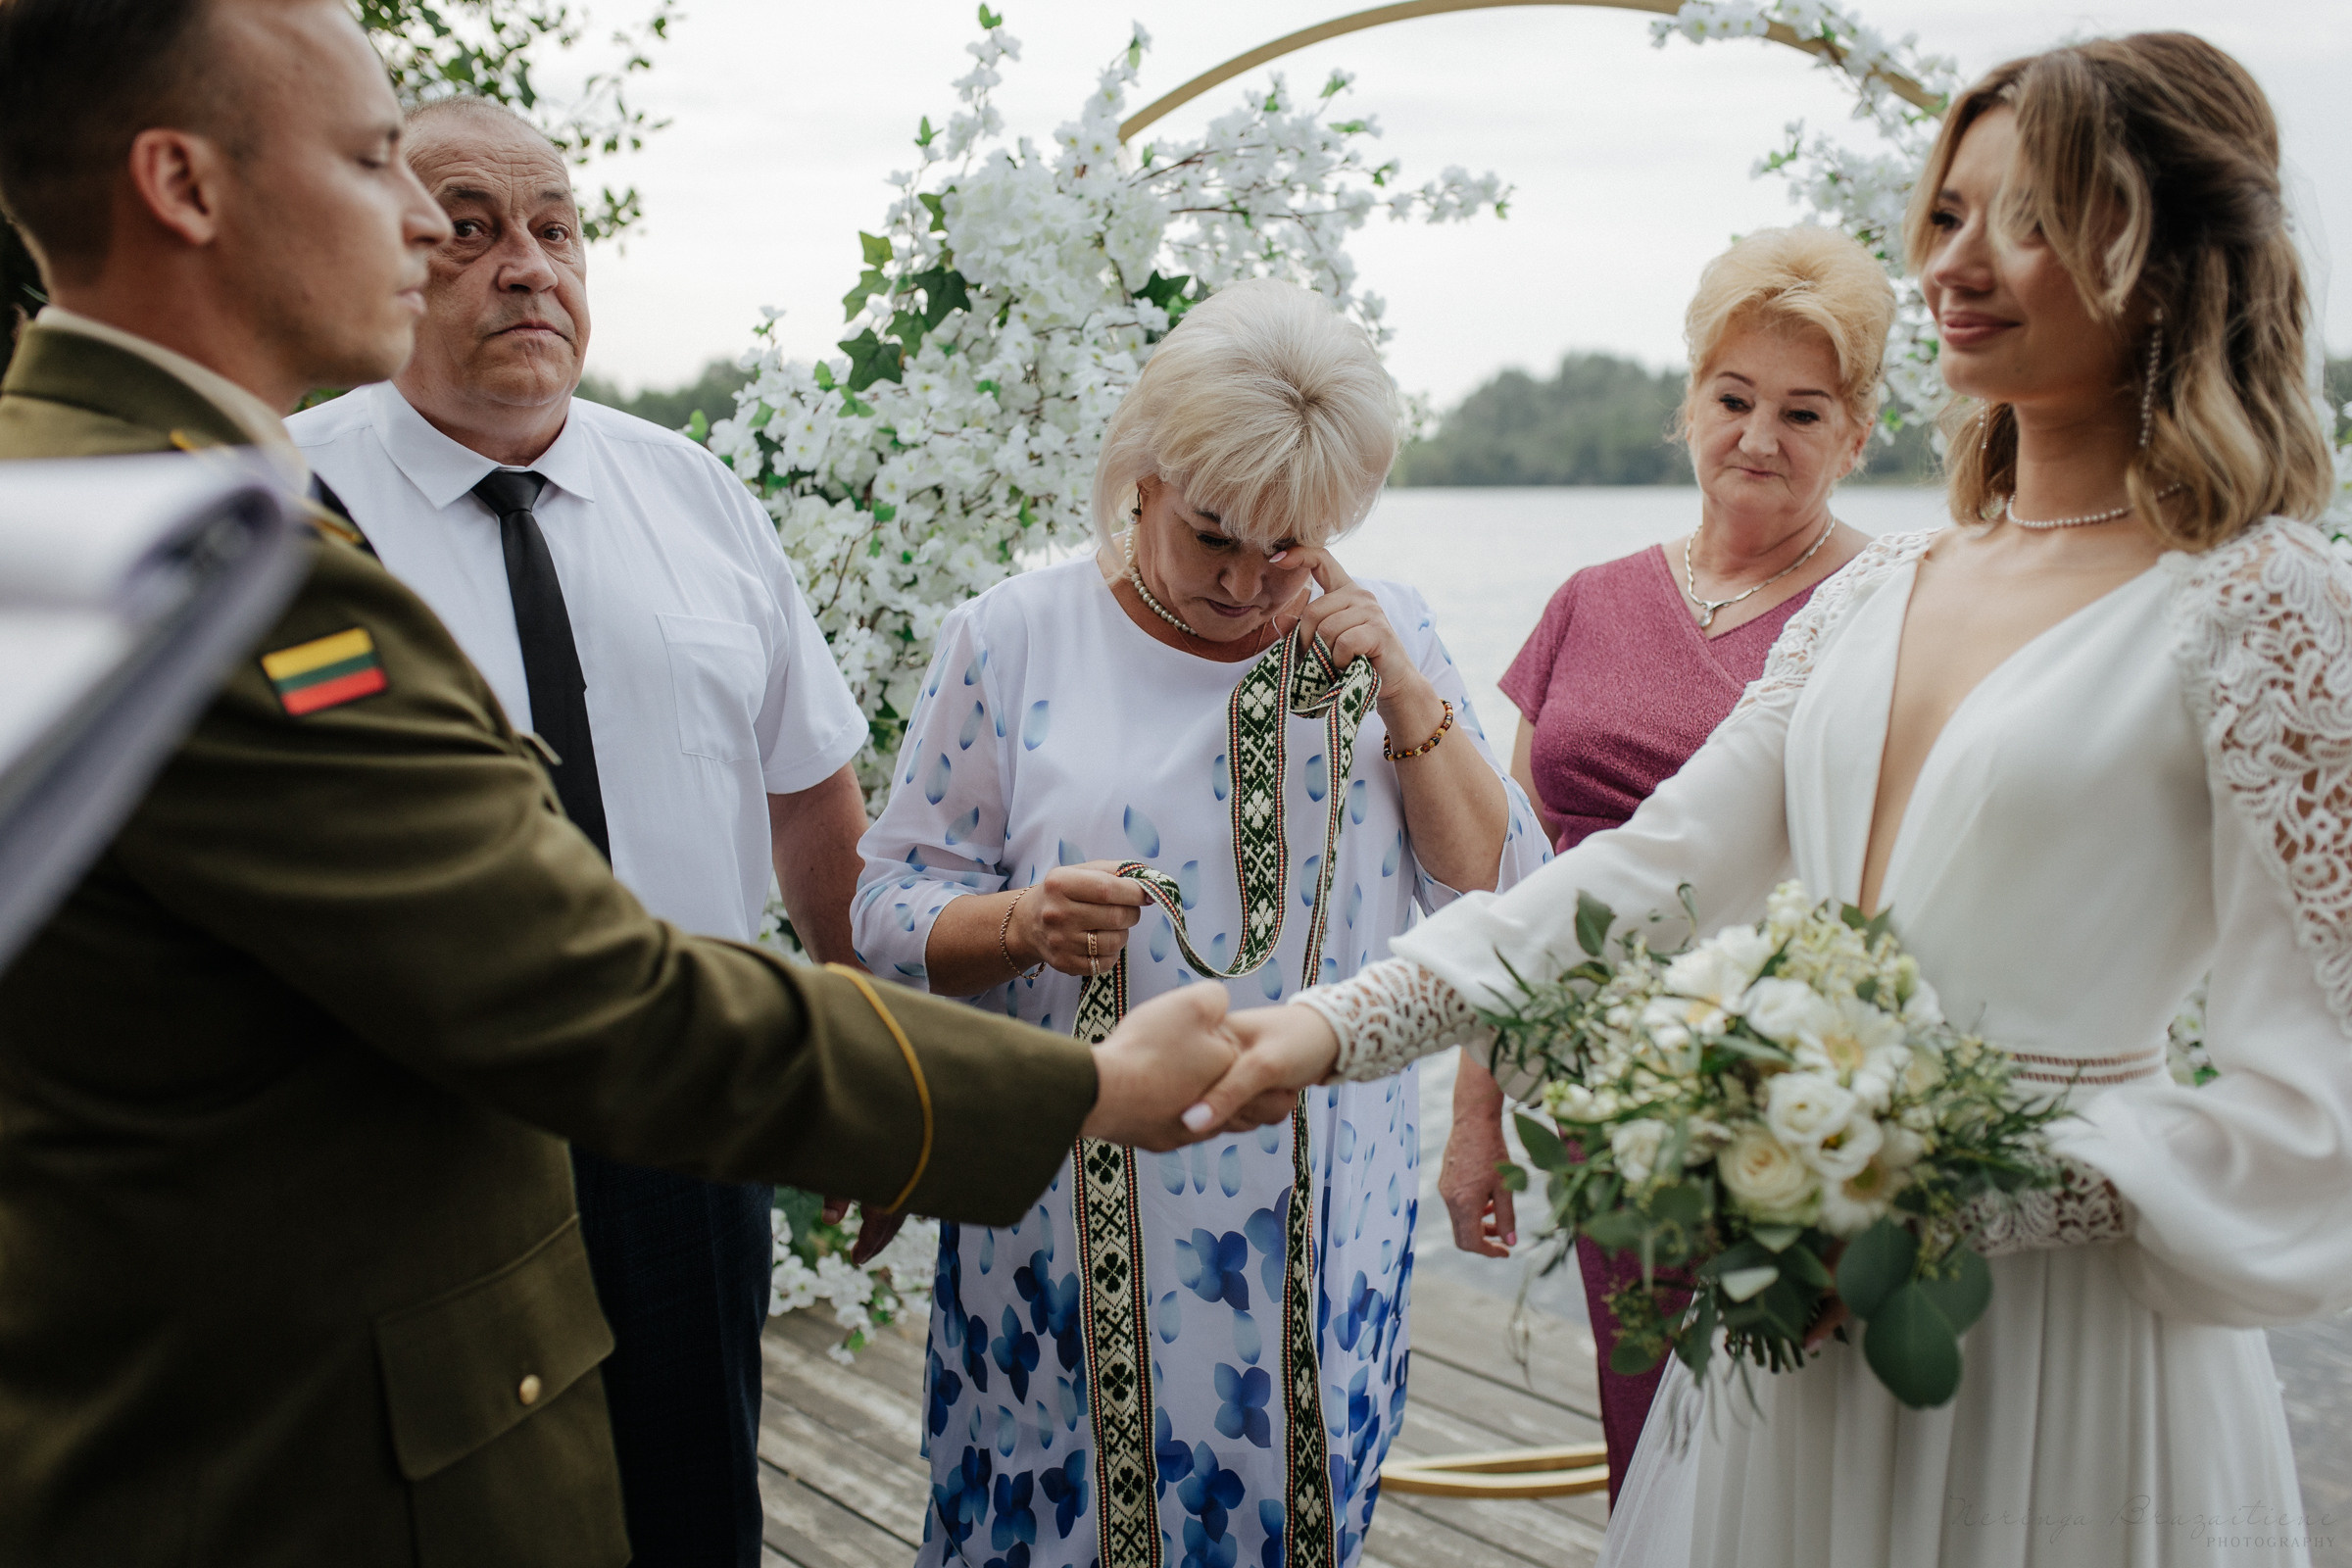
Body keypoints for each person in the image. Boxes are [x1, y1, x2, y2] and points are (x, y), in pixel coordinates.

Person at [0, 1, 1237, 1562]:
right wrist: (1084, 1089)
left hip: (573, 1190)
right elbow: (571, 982)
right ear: (184, 185)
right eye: (377, 166)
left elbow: (805, 803)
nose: (420, 229)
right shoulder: (204, 553)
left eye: (549, 225)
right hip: (311, 1391)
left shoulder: (71, 485)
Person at [1195, 31, 2347, 1568]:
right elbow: (1647, 873)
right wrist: (1330, 1029)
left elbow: (2311, 1101)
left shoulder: (2266, 606)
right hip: (1795, 1330)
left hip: (2061, 1359)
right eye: (1948, 214)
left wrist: (1933, 1192)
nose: (1955, 263)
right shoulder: (1884, 592)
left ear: (2169, 256)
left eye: (2028, 218)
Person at [851, 278, 1550, 1568]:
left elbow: (1502, 891)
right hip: (1064, 1212)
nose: (1245, 580)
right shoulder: (1013, 637)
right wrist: (1018, 922)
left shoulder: (1385, 636)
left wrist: (1405, 692)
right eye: (1214, 534)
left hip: (1319, 1217)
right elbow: (886, 909)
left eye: (1289, 546)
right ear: (1145, 477)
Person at [285, 96, 864, 1568]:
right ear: (383, 250)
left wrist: (858, 1070)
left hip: (691, 1122)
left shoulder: (697, 497)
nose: (528, 267)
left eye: (555, 231)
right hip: (407, 1147)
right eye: (471, 229)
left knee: (694, 1516)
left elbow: (810, 790)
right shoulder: (280, 506)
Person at [1442, 224, 1890, 1500]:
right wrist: (1477, 1116)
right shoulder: (1590, 599)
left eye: (1803, 411)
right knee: (1648, 1441)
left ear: (1859, 436)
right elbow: (1518, 877)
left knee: (1786, 1459)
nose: (1759, 436)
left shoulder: (1885, 609)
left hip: (1788, 1104)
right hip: (1596, 1107)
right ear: (1687, 405)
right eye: (1733, 398)